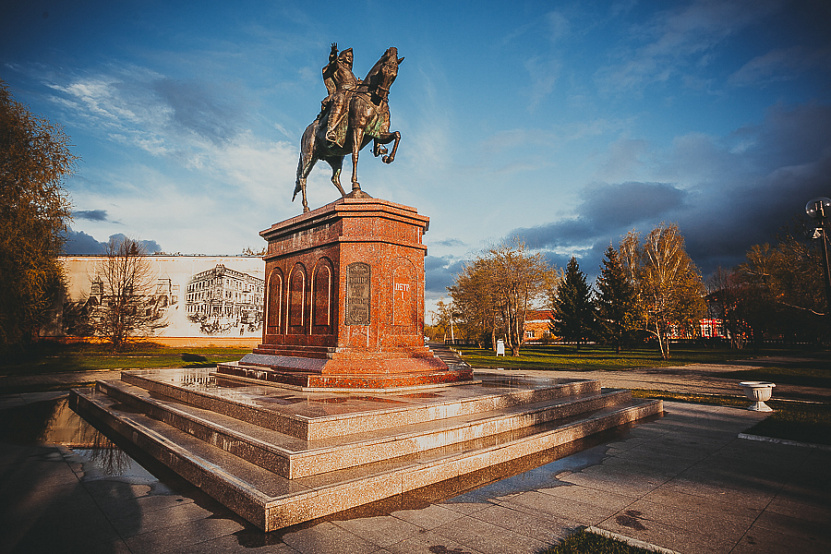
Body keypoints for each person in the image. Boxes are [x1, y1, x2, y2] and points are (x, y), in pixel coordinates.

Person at [321, 43, 360, 145]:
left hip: (353, 92)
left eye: (351, 57)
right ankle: (331, 130)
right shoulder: (338, 67)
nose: (349, 58)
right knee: (340, 100)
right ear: (342, 57)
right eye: (347, 56)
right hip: (341, 92)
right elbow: (332, 61)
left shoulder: (351, 73)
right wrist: (333, 53)